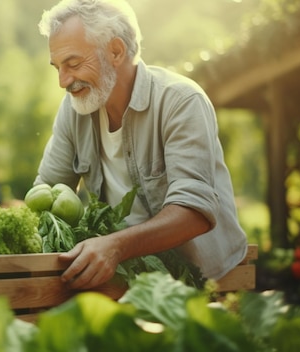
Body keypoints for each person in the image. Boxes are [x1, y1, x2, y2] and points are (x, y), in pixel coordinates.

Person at [34, 0, 248, 290]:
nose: (63, 81)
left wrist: (116, 246)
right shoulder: (73, 110)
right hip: (128, 279)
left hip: (204, 282)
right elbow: (45, 193)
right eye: (57, 67)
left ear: (116, 51)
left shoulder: (181, 102)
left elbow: (194, 211)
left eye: (72, 64)